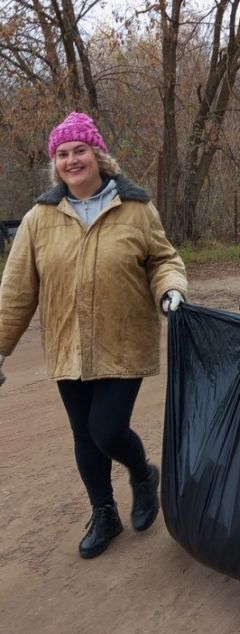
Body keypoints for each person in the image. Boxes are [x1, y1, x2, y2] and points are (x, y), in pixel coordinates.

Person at [0, 112, 188, 559]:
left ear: (98, 156)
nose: (71, 160)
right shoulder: (38, 219)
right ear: (55, 164)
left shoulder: (137, 209)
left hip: (123, 340)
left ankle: (143, 475)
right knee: (83, 435)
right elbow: (17, 289)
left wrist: (171, 291)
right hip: (68, 344)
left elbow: (163, 260)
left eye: (79, 150)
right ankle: (104, 512)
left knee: (106, 429)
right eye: (62, 154)